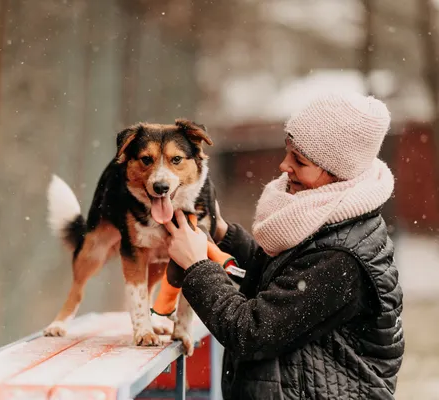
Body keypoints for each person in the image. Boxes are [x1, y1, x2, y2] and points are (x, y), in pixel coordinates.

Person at [164, 91, 405, 400]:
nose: (283, 165)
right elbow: (286, 281)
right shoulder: (327, 216)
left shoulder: (342, 258)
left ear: (337, 172)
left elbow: (251, 331)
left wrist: (197, 267)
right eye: (288, 150)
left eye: (299, 160)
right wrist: (225, 235)